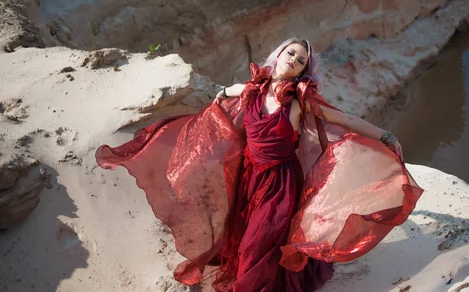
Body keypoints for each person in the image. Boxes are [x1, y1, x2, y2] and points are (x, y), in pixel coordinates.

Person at [96, 38, 422, 292]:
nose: (294, 61)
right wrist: (218, 99)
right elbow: (225, 93)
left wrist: (385, 135)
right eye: (291, 54)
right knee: (252, 239)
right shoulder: (251, 90)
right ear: (278, 55)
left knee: (257, 245)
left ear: (303, 69)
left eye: (301, 60)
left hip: (280, 182)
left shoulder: (300, 100)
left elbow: (345, 118)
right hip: (249, 178)